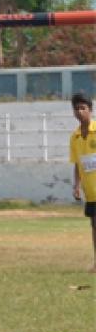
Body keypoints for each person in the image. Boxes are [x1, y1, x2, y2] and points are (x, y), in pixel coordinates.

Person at [69, 92, 96, 273]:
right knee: (94, 225)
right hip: (91, 191)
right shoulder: (75, 137)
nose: (79, 112)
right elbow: (78, 164)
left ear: (90, 110)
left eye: (83, 108)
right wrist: (77, 186)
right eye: (76, 108)